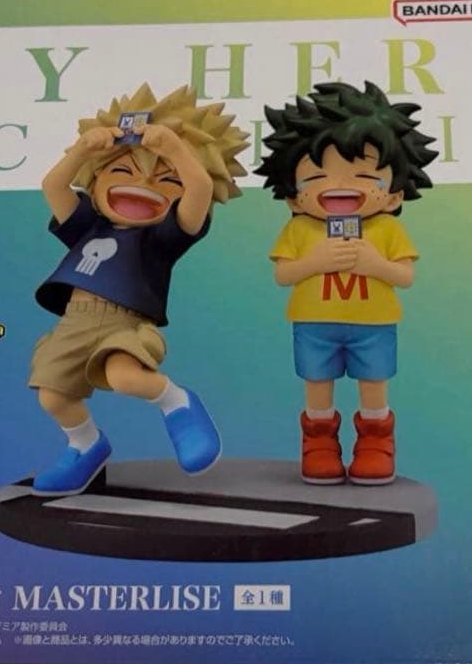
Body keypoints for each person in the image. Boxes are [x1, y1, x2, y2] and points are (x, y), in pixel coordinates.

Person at [29, 84, 249, 496]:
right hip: (74, 321)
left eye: (166, 179)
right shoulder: (87, 225)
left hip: (123, 322)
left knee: (125, 377)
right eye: (123, 171)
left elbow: (199, 190)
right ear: (96, 179)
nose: (143, 184)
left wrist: (175, 149)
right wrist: (81, 151)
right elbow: (53, 186)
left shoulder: (161, 238)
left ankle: (177, 403)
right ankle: (85, 445)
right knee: (52, 396)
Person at [258, 81, 436, 485]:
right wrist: (315, 261)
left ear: (394, 196)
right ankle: (319, 443)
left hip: (374, 325)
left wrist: (375, 264)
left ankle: (376, 443)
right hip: (314, 325)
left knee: (374, 384)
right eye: (317, 176)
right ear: (293, 197)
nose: (340, 185)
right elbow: (282, 274)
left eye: (364, 175)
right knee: (317, 384)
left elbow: (405, 276)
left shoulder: (387, 229)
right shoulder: (300, 229)